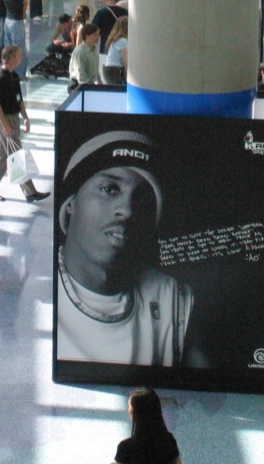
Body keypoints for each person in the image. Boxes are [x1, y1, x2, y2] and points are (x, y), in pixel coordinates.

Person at [55, 128, 202, 366]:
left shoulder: (172, 297)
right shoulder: (40, 292)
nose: (127, 210)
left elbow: (209, 400)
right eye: (109, 189)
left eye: (143, 198)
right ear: (71, 202)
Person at [0, 45, 50, 203]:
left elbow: (18, 99)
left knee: (4, 152)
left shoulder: (14, 76)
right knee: (16, 152)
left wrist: (25, 117)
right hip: (5, 118)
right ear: (12, 58)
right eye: (19, 56)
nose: (21, 58)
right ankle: (30, 191)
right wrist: (5, 125)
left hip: (13, 117)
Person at [115, 387, 181, 464]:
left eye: (129, 406)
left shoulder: (125, 448)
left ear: (135, 413)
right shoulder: (169, 442)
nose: (128, 410)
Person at [69, 22, 102, 91]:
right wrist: (89, 88)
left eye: (98, 35)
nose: (98, 37)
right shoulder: (80, 51)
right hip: (78, 86)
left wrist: (100, 84)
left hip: (89, 85)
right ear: (87, 36)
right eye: (95, 35)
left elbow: (95, 71)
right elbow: (81, 75)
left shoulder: (95, 50)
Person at [103, 16, 129, 85]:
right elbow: (125, 62)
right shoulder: (122, 41)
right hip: (115, 70)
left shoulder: (113, 40)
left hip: (108, 69)